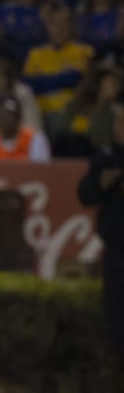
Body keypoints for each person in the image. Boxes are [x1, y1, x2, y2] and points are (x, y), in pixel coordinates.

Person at [77, 102, 124, 364]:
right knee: (116, 319)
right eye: (117, 121)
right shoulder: (106, 157)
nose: (120, 127)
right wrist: (100, 184)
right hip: (116, 251)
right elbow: (84, 195)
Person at [0, 95, 51, 161]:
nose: (6, 119)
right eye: (2, 114)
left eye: (11, 115)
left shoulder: (35, 139)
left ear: (19, 117)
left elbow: (41, 171)